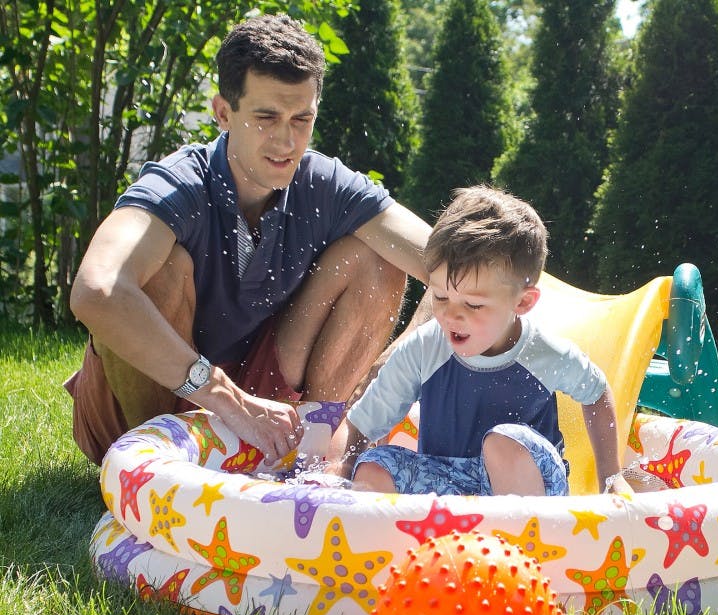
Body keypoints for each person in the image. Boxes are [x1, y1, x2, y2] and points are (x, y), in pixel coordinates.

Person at [66, 14, 432, 467]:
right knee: (158, 271)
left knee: (380, 259)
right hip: (145, 406)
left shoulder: (324, 183)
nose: (286, 140)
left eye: (302, 119)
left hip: (265, 400)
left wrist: (398, 368)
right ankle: (158, 469)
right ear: (224, 113)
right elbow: (95, 291)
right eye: (266, 117)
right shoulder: (180, 185)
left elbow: (450, 264)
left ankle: (314, 457)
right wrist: (228, 400)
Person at [328, 185, 632, 496]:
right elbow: (360, 424)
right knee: (375, 466)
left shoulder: (542, 352)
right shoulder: (425, 348)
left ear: (523, 303)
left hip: (533, 489)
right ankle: (394, 540)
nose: (451, 315)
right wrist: (335, 474)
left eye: (473, 304)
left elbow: (596, 393)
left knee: (504, 441)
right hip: (449, 482)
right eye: (441, 296)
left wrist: (611, 477)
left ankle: (523, 540)